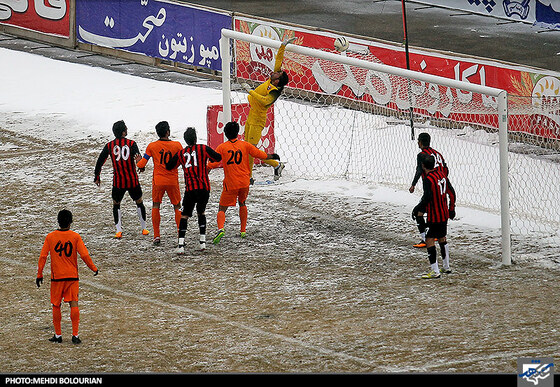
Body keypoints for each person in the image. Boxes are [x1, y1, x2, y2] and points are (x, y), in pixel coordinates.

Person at [208, 121, 280, 244]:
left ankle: (220, 229)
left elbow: (213, 164)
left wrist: (205, 171)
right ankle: (243, 230)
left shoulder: (222, 148)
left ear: (225, 133)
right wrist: (272, 156)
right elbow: (260, 155)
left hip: (231, 184)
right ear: (237, 132)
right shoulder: (245, 145)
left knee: (222, 208)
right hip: (244, 182)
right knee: (242, 202)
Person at [36, 209, 98, 344]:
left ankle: (58, 335)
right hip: (72, 277)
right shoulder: (75, 237)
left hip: (57, 278)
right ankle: (75, 335)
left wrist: (39, 274)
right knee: (74, 303)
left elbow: (43, 256)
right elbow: (84, 255)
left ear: (58, 222)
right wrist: (93, 268)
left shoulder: (50, 237)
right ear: (71, 222)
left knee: (56, 305)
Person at [240, 36, 296, 183]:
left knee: (251, 150)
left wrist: (250, 91)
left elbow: (264, 101)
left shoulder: (274, 92)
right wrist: (282, 46)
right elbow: (279, 60)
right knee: (247, 149)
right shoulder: (274, 79)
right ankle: (275, 165)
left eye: (278, 73)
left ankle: (253, 175)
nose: (275, 71)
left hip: (258, 120)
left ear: (278, 80)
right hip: (251, 115)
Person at [165, 127, 221, 254]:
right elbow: (217, 158)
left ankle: (180, 245)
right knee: (201, 212)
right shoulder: (203, 148)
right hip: (204, 188)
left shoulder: (181, 154)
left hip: (190, 189)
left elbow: (169, 166)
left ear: (185, 140)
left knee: (184, 215)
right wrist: (210, 161)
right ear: (196, 138)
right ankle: (202, 243)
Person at [94, 120, 149, 239]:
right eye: (126, 128)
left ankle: (118, 230)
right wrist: (142, 167)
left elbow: (100, 161)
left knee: (116, 204)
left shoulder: (109, 145)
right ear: (124, 132)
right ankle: (144, 228)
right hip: (132, 180)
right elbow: (138, 158)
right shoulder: (132, 143)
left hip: (118, 181)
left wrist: (97, 176)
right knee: (139, 202)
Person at [136, 121, 184, 245]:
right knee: (177, 206)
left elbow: (142, 164)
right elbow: (183, 161)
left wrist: (138, 161)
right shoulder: (177, 145)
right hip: (172, 181)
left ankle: (156, 235)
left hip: (158, 181)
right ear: (168, 132)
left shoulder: (152, 146)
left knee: (156, 205)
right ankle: (180, 235)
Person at [412, 155, 456, 279]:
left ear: (423, 165)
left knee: (429, 240)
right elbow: (451, 192)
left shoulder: (428, 179)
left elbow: (427, 197)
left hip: (435, 215)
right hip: (444, 213)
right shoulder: (441, 175)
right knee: (442, 238)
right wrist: (451, 208)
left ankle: (435, 270)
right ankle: (446, 266)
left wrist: (417, 208)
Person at [409, 132, 449, 248]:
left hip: (431, 187)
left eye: (418, 140)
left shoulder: (422, 155)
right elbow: (446, 169)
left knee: (418, 212)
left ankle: (425, 239)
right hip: (442, 187)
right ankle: (435, 235)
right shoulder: (438, 154)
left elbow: (419, 170)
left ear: (420, 142)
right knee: (435, 212)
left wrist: (413, 184)